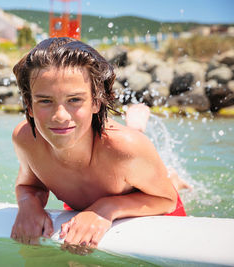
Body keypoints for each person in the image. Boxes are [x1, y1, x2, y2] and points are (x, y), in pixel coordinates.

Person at [10, 37, 189, 249]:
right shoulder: (26, 139)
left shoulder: (127, 148)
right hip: (87, 195)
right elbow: (28, 185)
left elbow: (166, 200)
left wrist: (106, 208)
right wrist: (28, 204)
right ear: (29, 105)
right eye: (45, 101)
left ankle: (163, 164)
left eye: (74, 100)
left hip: (141, 200)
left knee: (129, 147)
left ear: (96, 101)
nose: (59, 116)